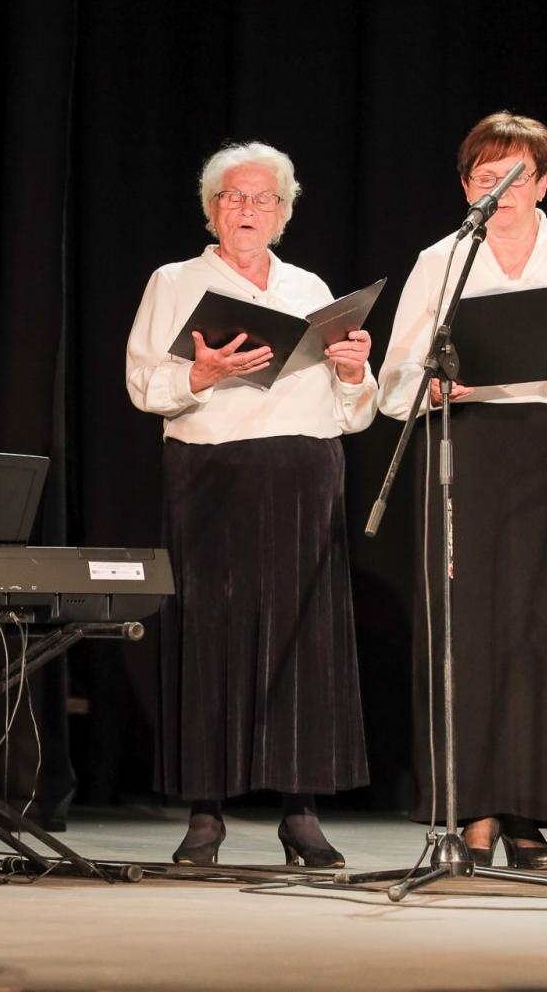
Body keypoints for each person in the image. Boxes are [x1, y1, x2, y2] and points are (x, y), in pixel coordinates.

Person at [377, 112, 547, 869]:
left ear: (544, 182)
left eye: (518, 175)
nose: (504, 190)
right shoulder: (443, 258)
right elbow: (395, 379)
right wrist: (433, 386)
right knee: (465, 626)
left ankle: (527, 813)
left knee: (541, 627)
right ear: (466, 186)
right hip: (468, 442)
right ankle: (472, 812)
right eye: (487, 177)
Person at [126, 142, 375, 867]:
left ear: (283, 214)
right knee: (210, 631)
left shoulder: (309, 287)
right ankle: (206, 813)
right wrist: (199, 374)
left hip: (304, 466)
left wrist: (356, 371)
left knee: (305, 638)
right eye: (233, 197)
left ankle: (301, 811)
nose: (247, 209)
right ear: (210, 210)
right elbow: (144, 384)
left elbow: (353, 409)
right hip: (209, 467)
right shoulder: (174, 280)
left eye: (263, 198)